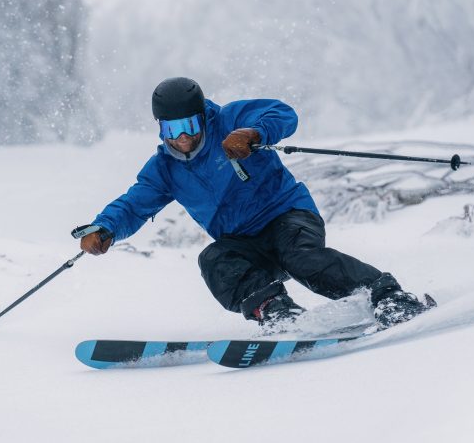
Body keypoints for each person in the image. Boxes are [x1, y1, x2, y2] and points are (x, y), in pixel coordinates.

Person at [79, 77, 429, 328]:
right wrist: (106, 228)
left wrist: (255, 133)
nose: (182, 138)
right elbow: (132, 204)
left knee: (301, 258)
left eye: (188, 125)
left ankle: (386, 296)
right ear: (161, 129)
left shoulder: (230, 121)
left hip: (287, 214)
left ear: (202, 116)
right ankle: (276, 312)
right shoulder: (165, 169)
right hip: (244, 242)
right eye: (172, 130)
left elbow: (283, 113)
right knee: (214, 259)